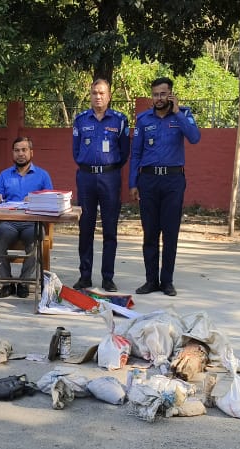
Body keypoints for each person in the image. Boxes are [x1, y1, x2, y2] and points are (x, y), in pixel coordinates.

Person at [128, 77, 200, 297]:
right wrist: (133, 183)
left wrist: (178, 111)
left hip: (173, 181)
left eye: (162, 94)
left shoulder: (183, 115)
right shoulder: (143, 119)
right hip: (148, 181)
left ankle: (167, 281)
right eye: (155, 94)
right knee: (150, 232)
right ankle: (151, 280)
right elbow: (136, 153)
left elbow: (195, 137)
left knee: (170, 232)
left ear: (170, 94)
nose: (158, 99)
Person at [71, 78, 130, 292]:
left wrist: (109, 168)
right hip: (86, 178)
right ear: (90, 95)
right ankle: (85, 276)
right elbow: (76, 151)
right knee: (85, 228)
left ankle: (107, 277)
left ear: (109, 95)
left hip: (110, 177)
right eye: (95, 92)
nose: (98, 96)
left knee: (110, 228)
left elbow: (124, 153)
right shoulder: (80, 120)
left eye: (102, 93)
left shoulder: (120, 120)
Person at [0, 137, 54, 298]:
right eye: (17, 150)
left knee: (36, 243)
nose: (20, 154)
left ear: (31, 153)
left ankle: (24, 282)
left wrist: (36, 199)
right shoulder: (4, 175)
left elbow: (52, 200)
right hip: (9, 223)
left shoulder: (43, 175)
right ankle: (7, 282)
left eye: (24, 150)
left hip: (32, 224)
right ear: (13, 153)